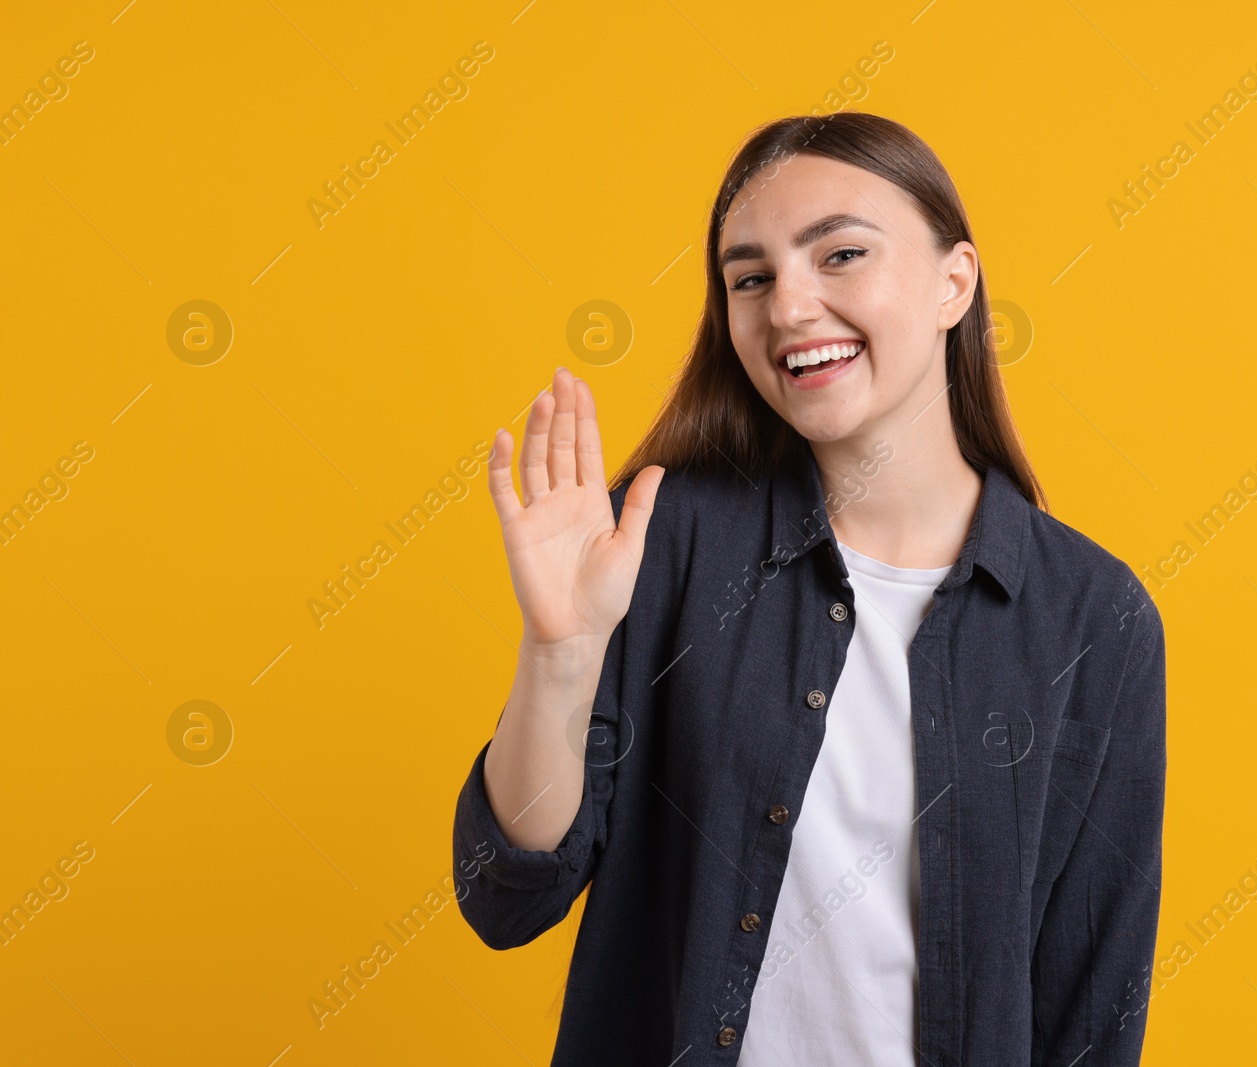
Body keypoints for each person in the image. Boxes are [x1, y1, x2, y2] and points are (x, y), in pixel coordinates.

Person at [452, 111, 1167, 1066]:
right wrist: (561, 653)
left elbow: (1093, 1005)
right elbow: (506, 897)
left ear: (956, 283)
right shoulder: (660, 540)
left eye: (839, 255)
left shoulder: (1095, 616)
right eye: (751, 278)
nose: (787, 307)